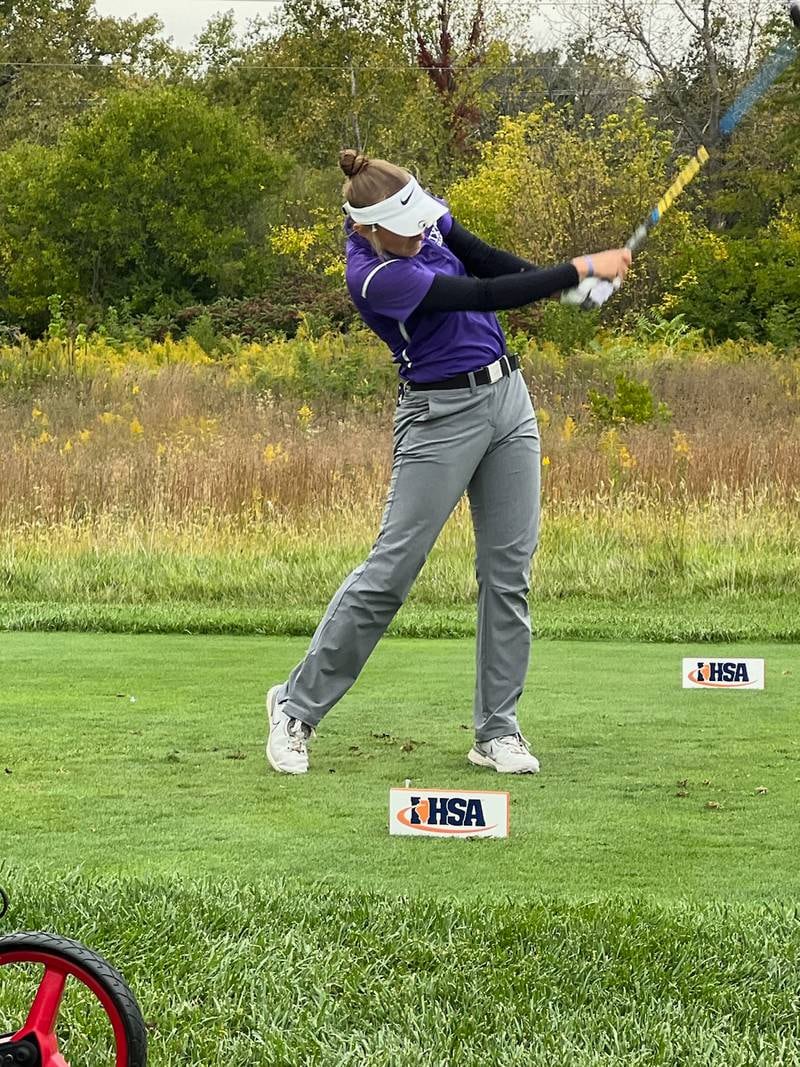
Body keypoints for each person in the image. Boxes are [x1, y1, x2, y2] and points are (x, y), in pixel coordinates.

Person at [266, 149, 631, 776]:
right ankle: (295, 707)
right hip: (439, 419)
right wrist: (578, 268)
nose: (419, 233)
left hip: (509, 403)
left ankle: (497, 730)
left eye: (419, 223)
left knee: (508, 572)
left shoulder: (418, 216)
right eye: (403, 231)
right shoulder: (376, 278)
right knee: (391, 572)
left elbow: (485, 259)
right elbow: (483, 291)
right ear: (369, 229)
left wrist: (570, 284)